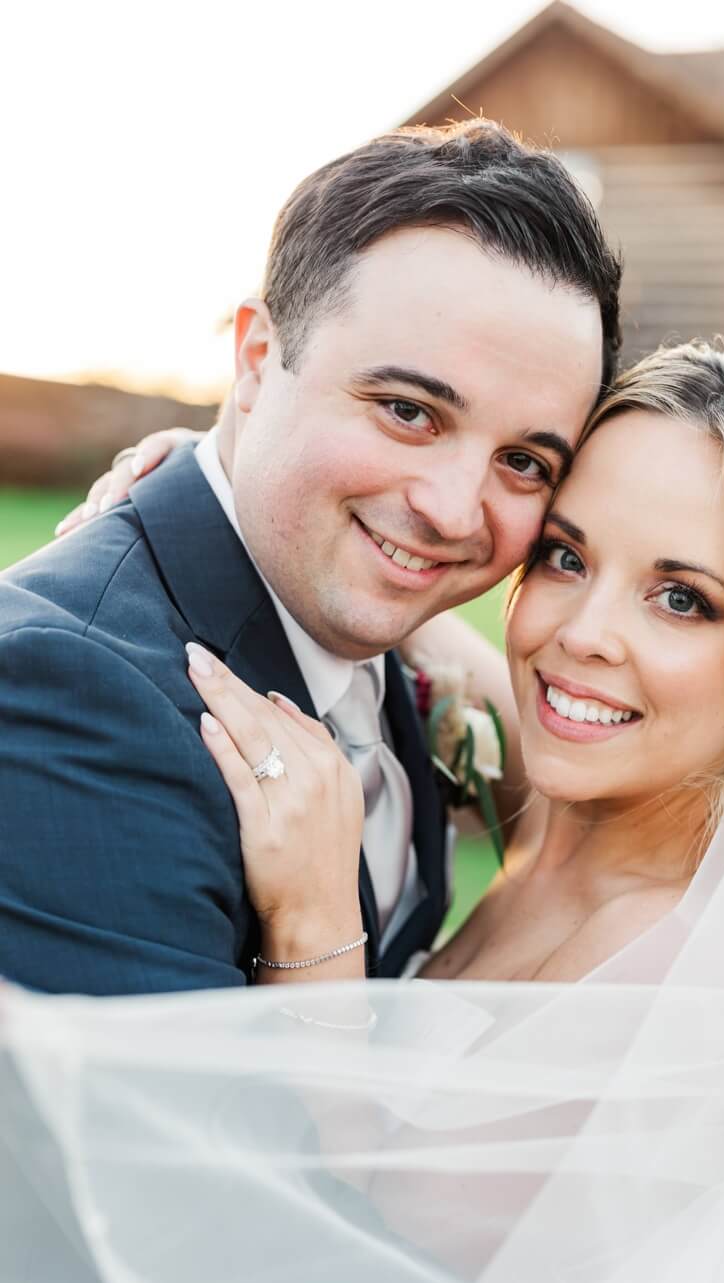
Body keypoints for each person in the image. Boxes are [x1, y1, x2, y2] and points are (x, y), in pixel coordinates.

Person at [0, 342, 724, 1283]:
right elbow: (435, 641)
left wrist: (316, 922)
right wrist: (230, 479)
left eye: (682, 598)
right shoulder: (567, 802)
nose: (581, 633)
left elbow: (353, 1278)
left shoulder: (698, 982)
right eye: (568, 556)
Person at [0, 119, 622, 992]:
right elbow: (157, 1128)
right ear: (258, 357)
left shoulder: (372, 629)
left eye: (523, 462)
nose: (449, 512)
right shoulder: (65, 691)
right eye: (409, 411)